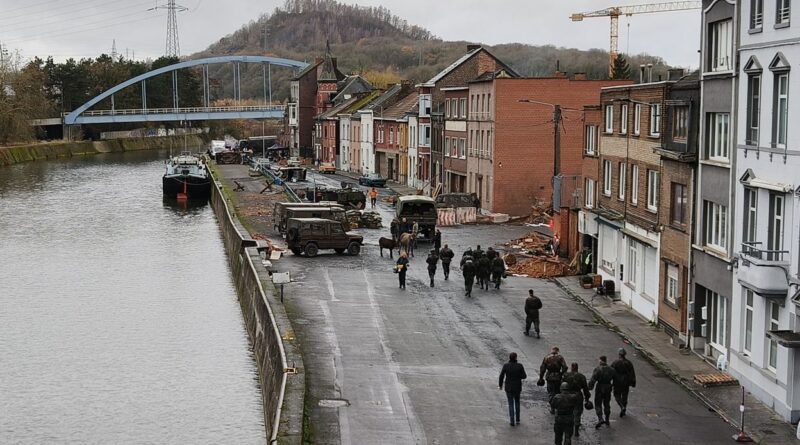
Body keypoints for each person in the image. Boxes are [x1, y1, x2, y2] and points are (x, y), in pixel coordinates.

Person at [563, 363, 592, 437]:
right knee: (577, 413)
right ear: (577, 368)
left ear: (571, 367)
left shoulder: (566, 375)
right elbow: (585, 388)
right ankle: (576, 430)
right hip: (578, 395)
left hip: (568, 395)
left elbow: (562, 385)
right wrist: (587, 398)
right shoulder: (581, 376)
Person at [499, 352, 527, 426]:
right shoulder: (520, 366)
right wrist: (518, 376)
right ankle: (517, 419)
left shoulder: (506, 366)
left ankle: (512, 420)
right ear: (516, 358)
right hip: (517, 387)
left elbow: (501, 376)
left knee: (510, 403)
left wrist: (500, 385)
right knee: (517, 402)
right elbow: (524, 376)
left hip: (508, 387)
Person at [588, 355, 616, 428]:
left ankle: (600, 418)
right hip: (608, 387)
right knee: (607, 403)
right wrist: (613, 386)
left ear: (600, 360)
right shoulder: (611, 369)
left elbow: (593, 379)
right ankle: (607, 419)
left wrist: (589, 388)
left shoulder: (598, 369)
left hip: (600, 387)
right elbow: (615, 379)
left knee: (598, 403)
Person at [539, 346, 568, 411]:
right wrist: (561, 373)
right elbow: (565, 367)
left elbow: (542, 369)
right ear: (557, 351)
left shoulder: (546, 357)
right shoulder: (560, 357)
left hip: (549, 377)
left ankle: (552, 407)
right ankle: (557, 406)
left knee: (551, 392)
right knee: (557, 392)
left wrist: (541, 378)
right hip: (558, 377)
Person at [611, 348, 636, 418]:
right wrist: (633, 382)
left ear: (619, 354)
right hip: (626, 382)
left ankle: (621, 406)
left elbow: (611, 371)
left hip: (617, 382)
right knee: (625, 395)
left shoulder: (615, 362)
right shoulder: (629, 363)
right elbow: (632, 373)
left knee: (616, 395)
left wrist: (610, 380)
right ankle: (624, 408)